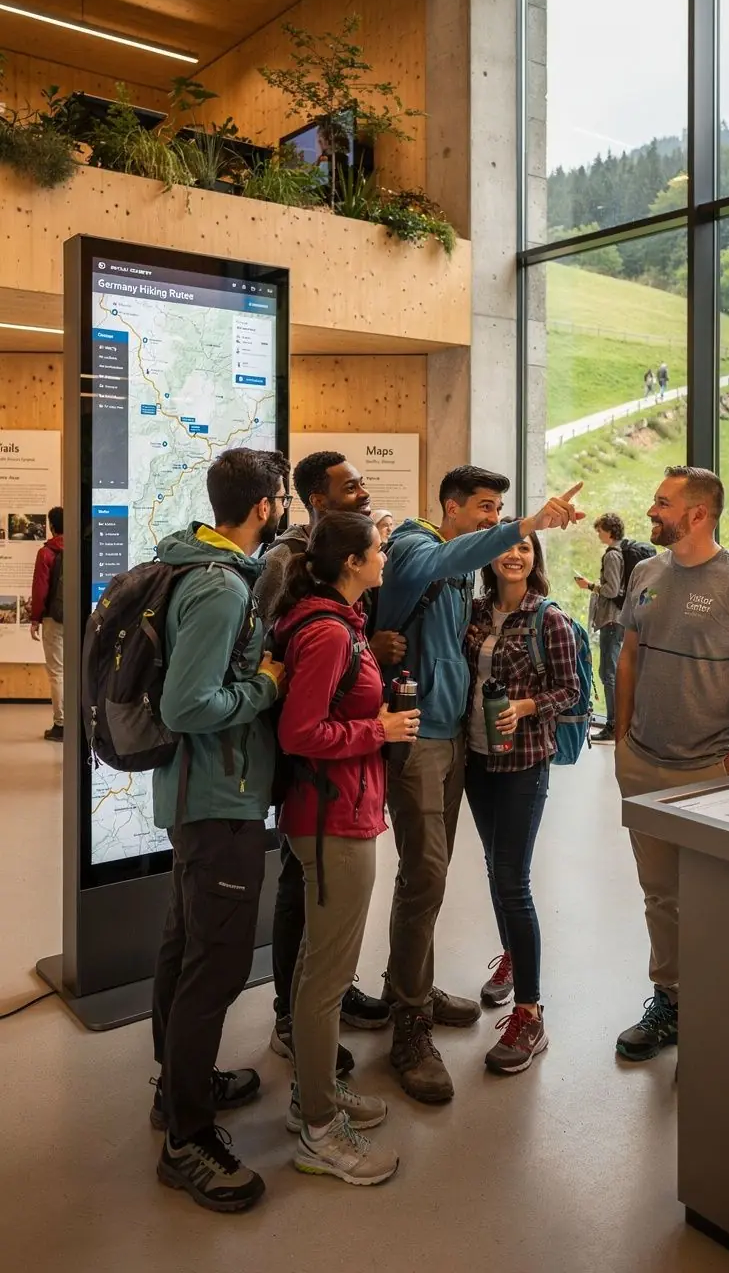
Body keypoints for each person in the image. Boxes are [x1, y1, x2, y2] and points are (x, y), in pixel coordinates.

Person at [373, 466, 584, 1102]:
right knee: (426, 876)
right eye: (486, 508)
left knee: (437, 877)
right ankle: (408, 1021)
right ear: (451, 505)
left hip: (459, 743)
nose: (495, 522)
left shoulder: (488, 587)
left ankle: (410, 985)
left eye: (501, 510)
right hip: (420, 740)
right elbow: (449, 557)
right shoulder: (416, 547)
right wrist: (528, 524)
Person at [150, 447, 289, 1214]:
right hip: (218, 800)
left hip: (198, 796)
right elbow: (187, 706)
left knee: (186, 948)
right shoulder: (217, 588)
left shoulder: (198, 566)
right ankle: (188, 1141)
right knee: (217, 967)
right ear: (265, 504)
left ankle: (179, 1090)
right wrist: (264, 685)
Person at [615, 466, 729, 1062]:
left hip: (710, 772)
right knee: (659, 893)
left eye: (662, 503)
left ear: (698, 515)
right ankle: (672, 1002)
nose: (651, 511)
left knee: (716, 897)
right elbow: (630, 656)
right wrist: (623, 740)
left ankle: (723, 1015)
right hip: (643, 765)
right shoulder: (645, 571)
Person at [273, 511, 419, 1185]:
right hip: (333, 820)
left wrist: (374, 714)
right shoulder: (330, 633)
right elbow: (301, 733)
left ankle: (315, 1095)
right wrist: (378, 729)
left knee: (316, 968)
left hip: (339, 812)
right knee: (327, 979)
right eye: (379, 548)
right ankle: (319, 1133)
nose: (386, 554)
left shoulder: (338, 623)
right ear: (353, 563)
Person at [256, 451, 403, 1064]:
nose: (364, 491)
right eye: (351, 486)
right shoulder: (291, 575)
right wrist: (375, 728)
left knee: (327, 923)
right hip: (318, 786)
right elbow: (299, 709)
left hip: (340, 784)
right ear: (319, 501)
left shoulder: (339, 601)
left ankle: (322, 1006)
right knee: (304, 896)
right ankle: (299, 1022)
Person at [465, 529, 579, 1073]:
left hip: (524, 761)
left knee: (513, 878)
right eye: (508, 546)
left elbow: (572, 690)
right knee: (494, 868)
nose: (515, 554)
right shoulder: (476, 611)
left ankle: (530, 1013)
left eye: (525, 548)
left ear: (535, 559)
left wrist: (528, 704)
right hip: (476, 761)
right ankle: (511, 956)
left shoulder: (547, 618)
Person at [574, 512, 625, 742]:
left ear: (609, 530)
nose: (598, 533)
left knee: (608, 673)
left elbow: (612, 590)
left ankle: (614, 725)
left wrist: (590, 586)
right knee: (611, 671)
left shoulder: (612, 556)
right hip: (617, 620)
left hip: (612, 621)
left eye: (600, 529)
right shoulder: (620, 552)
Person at [30, 505, 64, 742]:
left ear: (52, 526)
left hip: (55, 619)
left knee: (57, 673)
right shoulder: (80, 549)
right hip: (81, 619)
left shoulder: (47, 553)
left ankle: (61, 724)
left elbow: (40, 588)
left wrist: (35, 618)